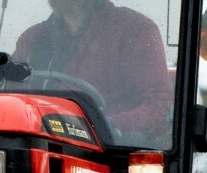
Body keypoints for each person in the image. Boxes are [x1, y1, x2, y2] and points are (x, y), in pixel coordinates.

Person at [12, 0, 174, 146]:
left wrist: (106, 126)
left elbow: (159, 107)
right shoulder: (34, 39)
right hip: (41, 151)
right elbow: (11, 101)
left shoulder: (134, 30)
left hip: (111, 158)